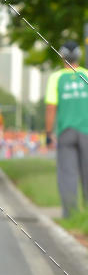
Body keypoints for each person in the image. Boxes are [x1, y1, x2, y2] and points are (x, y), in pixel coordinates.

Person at [45, 40, 88, 218]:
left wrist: (48, 134)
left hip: (66, 132)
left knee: (67, 173)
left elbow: (51, 108)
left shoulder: (56, 78)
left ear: (62, 56)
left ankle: (71, 214)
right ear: (79, 56)